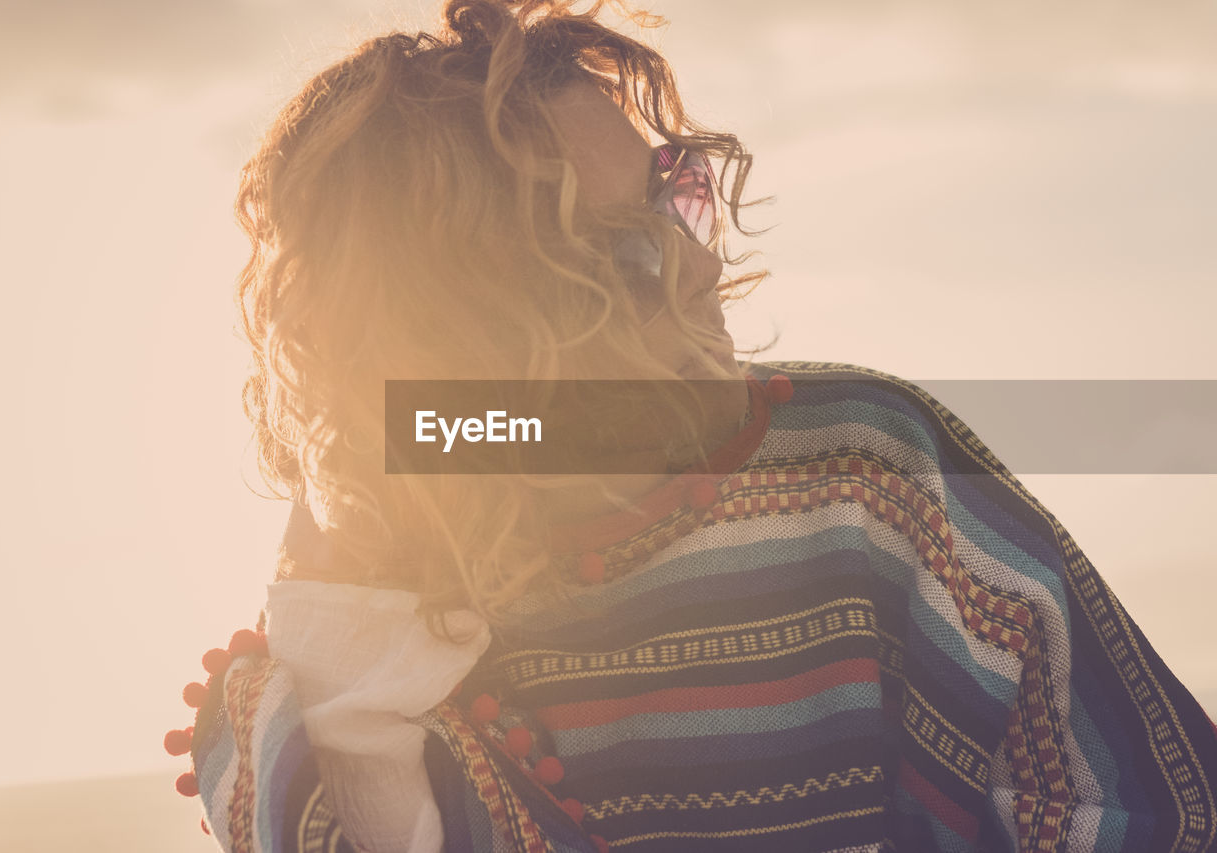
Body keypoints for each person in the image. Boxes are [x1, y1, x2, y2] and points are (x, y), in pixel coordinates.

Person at [165, 1, 1217, 850]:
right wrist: (349, 575)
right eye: (619, 255)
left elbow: (1140, 807)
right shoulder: (358, 633)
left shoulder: (861, 471)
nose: (698, 264)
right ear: (462, 331)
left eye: (679, 195)